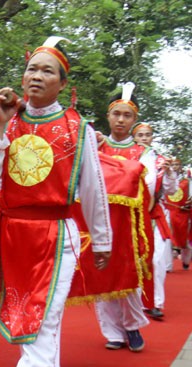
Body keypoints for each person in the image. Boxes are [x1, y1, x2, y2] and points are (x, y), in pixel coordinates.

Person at [0, 37, 112, 367]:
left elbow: (93, 188)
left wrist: (101, 240)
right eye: (32, 69)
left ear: (62, 82)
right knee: (28, 318)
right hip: (14, 234)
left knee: (43, 322)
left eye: (46, 70)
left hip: (56, 236)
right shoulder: (11, 123)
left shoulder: (77, 128)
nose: (37, 76)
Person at [95, 86, 156, 350]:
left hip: (131, 224)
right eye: (116, 114)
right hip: (99, 221)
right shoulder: (95, 145)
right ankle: (112, 332)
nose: (121, 120)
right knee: (101, 274)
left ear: (134, 120)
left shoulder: (144, 152)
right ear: (108, 116)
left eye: (127, 115)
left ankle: (132, 326)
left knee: (129, 275)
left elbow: (149, 184)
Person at [132, 122, 178, 318]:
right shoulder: (125, 157)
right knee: (132, 261)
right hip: (130, 216)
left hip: (153, 215)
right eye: (140, 135)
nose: (144, 138)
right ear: (134, 137)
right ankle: (134, 302)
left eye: (147, 135)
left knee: (157, 259)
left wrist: (168, 173)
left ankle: (155, 303)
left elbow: (172, 190)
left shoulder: (160, 161)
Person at [165, 159, 191, 269]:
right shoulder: (166, 179)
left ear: (180, 166)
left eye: (177, 165)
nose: (175, 167)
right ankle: (168, 265)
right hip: (169, 211)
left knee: (185, 240)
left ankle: (186, 261)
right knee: (168, 238)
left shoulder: (187, 181)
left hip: (184, 213)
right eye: (173, 165)